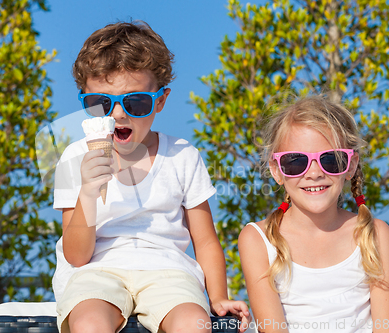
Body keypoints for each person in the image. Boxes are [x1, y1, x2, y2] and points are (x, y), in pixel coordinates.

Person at [53, 21, 250, 333]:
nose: (118, 113)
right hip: (96, 271)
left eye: (136, 102)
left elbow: (206, 241)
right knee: (89, 323)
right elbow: (77, 256)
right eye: (100, 103)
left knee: (193, 325)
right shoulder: (74, 159)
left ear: (159, 100)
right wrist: (87, 192)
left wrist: (218, 296)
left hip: (169, 272)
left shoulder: (182, 156)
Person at [238, 95, 389, 333]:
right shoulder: (258, 240)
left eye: (330, 160)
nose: (314, 173)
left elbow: (388, 329)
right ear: (277, 171)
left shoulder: (375, 235)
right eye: (296, 162)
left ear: (351, 165)